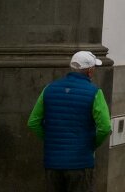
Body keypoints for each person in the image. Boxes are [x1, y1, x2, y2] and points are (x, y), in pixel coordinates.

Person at [27, 50, 112, 192]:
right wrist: (91, 144)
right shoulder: (95, 92)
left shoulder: (49, 89)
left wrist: (50, 140)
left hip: (53, 163)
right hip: (81, 163)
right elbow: (105, 127)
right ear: (90, 71)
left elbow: (33, 122)